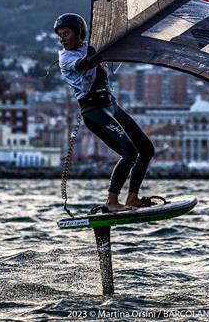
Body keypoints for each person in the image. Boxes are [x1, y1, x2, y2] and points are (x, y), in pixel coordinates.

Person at [55, 13, 155, 212]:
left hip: (112, 106)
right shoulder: (65, 57)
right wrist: (96, 53)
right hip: (94, 111)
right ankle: (112, 201)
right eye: (60, 35)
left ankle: (133, 197)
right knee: (129, 153)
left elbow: (110, 53)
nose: (62, 38)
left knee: (146, 149)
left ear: (79, 33)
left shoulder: (91, 47)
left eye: (66, 33)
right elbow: (84, 64)